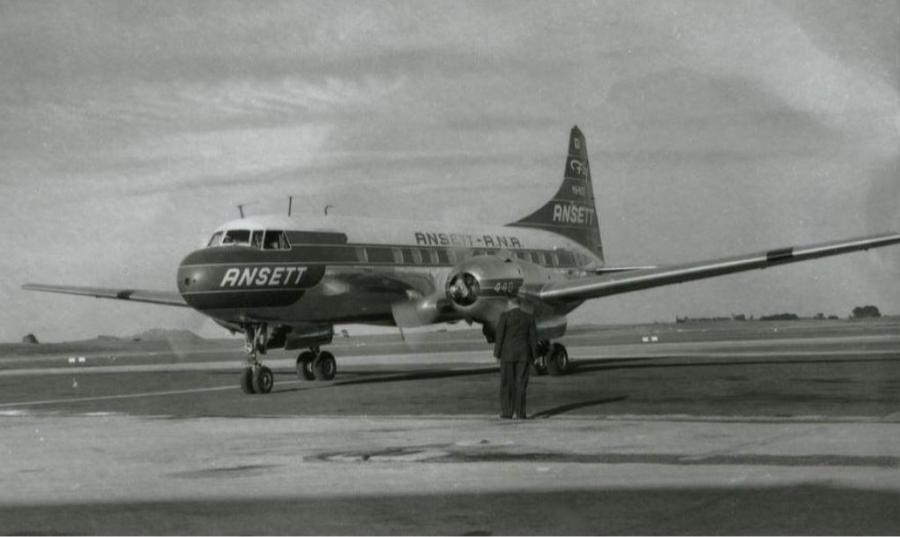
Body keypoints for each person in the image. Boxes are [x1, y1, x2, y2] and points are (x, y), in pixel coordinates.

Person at [493, 296, 538, 419]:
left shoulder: (504, 317)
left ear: (511, 304)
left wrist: (497, 354)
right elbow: (533, 338)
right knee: (521, 384)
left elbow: (500, 337)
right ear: (519, 304)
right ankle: (520, 413)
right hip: (523, 355)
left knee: (507, 384)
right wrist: (535, 355)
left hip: (507, 355)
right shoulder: (528, 317)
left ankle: (507, 413)